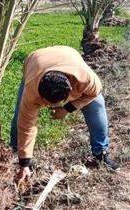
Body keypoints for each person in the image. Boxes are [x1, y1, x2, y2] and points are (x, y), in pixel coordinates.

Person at [10, 46, 120, 185]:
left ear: (70, 91)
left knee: (97, 105)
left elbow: (93, 93)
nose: (50, 107)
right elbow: (27, 126)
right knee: (21, 115)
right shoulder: (32, 90)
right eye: (46, 103)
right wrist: (24, 164)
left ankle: (101, 153)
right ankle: (15, 154)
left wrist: (67, 108)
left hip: (69, 55)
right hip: (35, 61)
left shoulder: (85, 79)